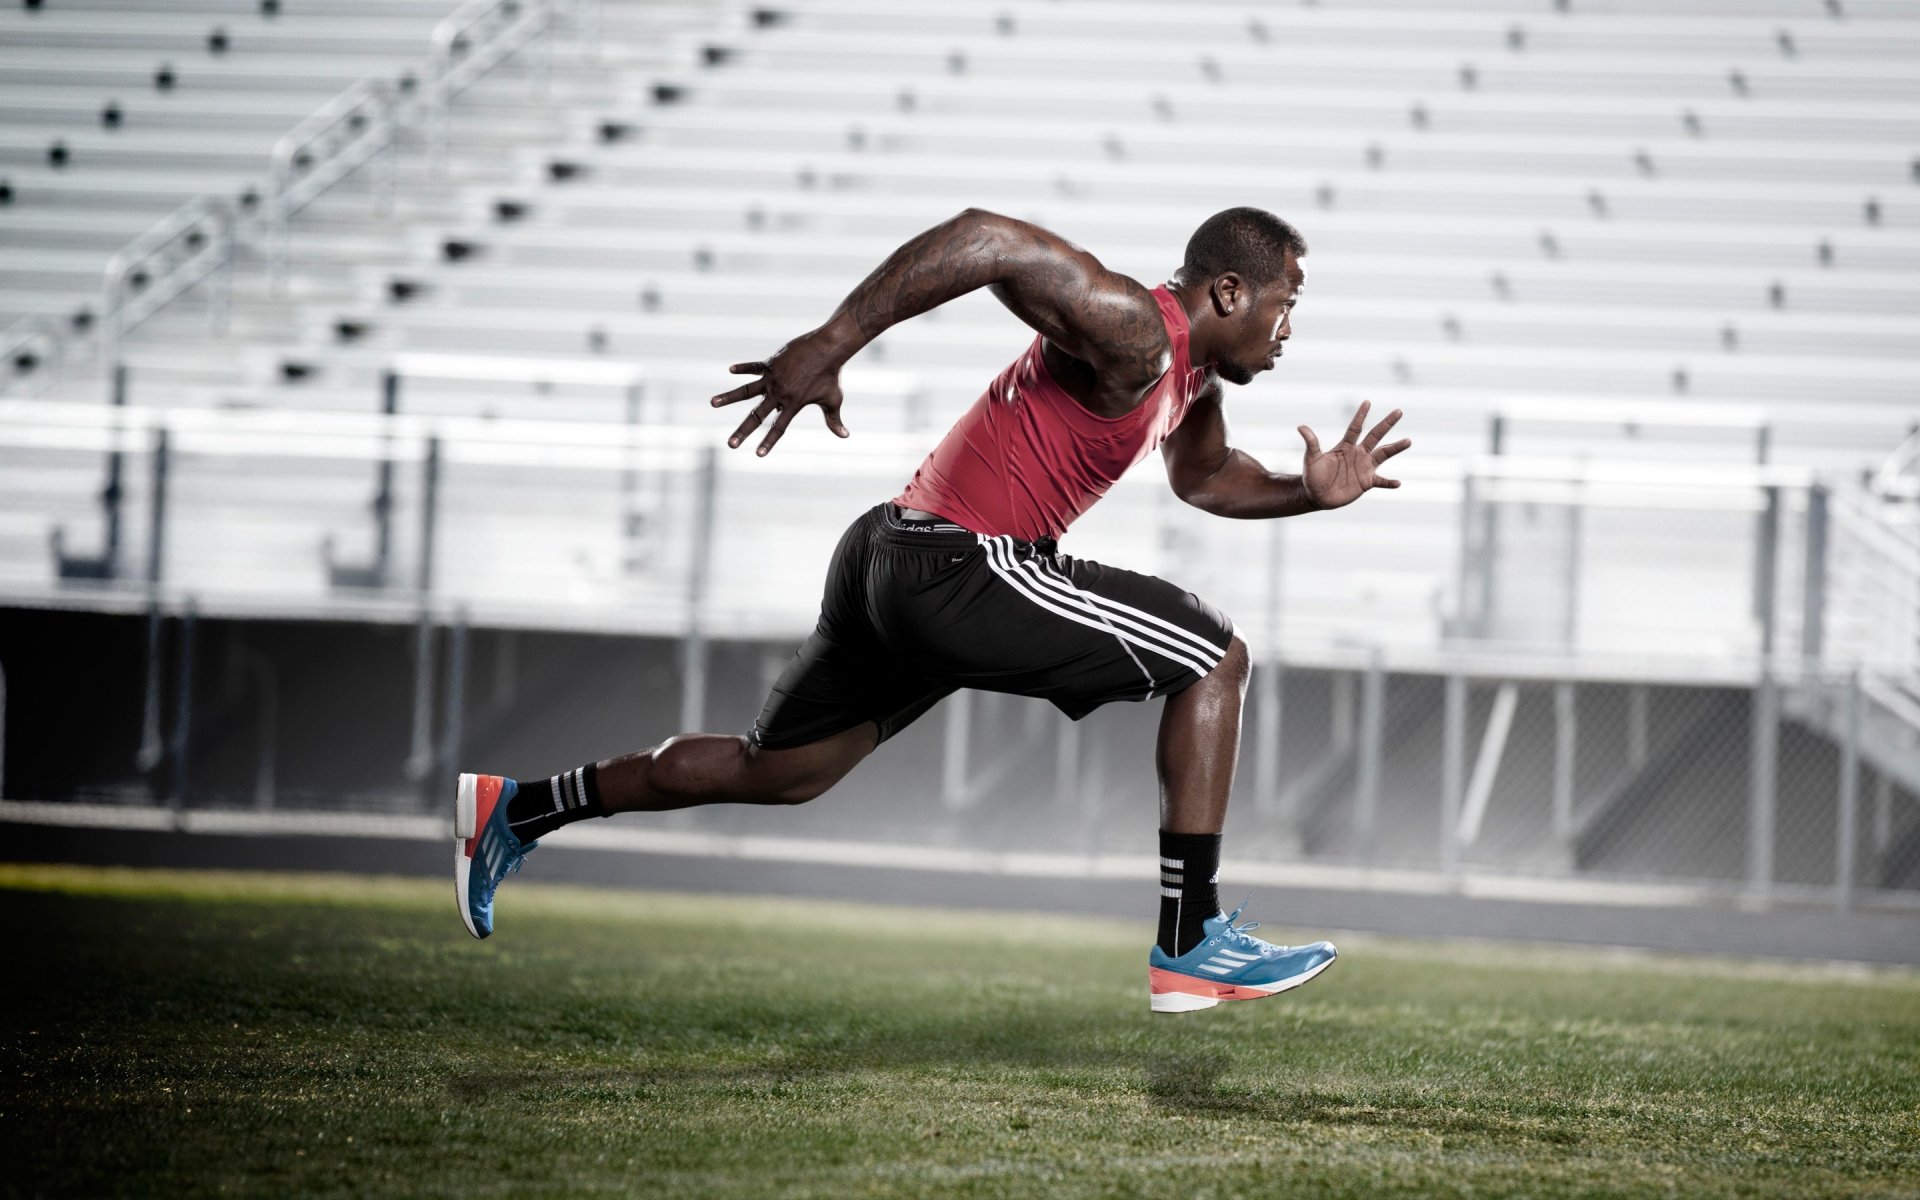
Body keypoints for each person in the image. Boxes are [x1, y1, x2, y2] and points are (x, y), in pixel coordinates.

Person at [454, 207, 1411, 1013]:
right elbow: (986, 239)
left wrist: (1308, 490)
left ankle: (517, 810)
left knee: (779, 771)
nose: (1290, 330)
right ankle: (1190, 937)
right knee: (1216, 656)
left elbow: (1202, 476)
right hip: (958, 565)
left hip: (890, 553)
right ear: (1232, 294)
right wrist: (829, 345)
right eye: (1289, 306)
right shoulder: (1134, 328)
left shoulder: (1190, 379)